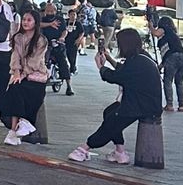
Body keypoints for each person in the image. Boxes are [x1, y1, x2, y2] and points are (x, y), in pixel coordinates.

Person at [68, 27, 163, 164]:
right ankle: (120, 152)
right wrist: (109, 59)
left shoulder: (136, 61)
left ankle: (84, 148)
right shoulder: (140, 57)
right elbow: (125, 72)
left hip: (141, 106)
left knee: (112, 122)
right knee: (110, 113)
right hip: (140, 102)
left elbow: (116, 77)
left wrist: (101, 67)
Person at [0, 6, 51, 144]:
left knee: (19, 89)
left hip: (36, 75)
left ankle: (19, 127)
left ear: (35, 22)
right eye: (24, 19)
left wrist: (23, 74)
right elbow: (15, 56)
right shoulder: (18, 37)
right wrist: (16, 71)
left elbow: (35, 61)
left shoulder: (41, 40)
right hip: (21, 73)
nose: (25, 22)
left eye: (29, 20)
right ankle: (14, 129)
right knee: (13, 89)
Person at [152, 15, 183, 112]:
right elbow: (168, 52)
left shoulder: (164, 29)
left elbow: (156, 33)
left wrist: (150, 26)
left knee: (168, 81)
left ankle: (170, 105)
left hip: (173, 57)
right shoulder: (173, 33)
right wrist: (161, 65)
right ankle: (181, 105)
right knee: (179, 82)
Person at [40, 0, 74, 95]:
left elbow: (64, 31)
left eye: (51, 11)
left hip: (58, 44)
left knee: (63, 63)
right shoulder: (42, 19)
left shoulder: (60, 19)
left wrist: (62, 38)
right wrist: (50, 24)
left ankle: (69, 86)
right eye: (48, 10)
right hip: (45, 45)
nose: (49, 12)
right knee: (40, 61)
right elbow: (38, 25)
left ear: (55, 11)